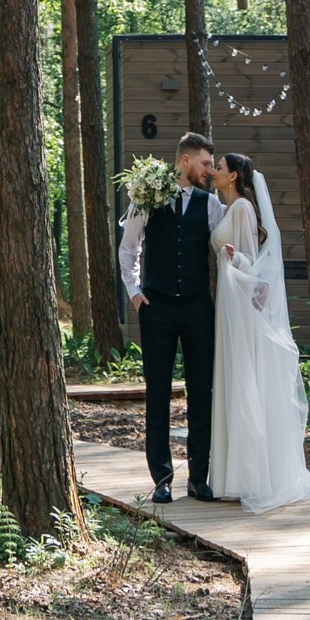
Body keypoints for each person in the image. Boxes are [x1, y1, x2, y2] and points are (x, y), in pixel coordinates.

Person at [119, 130, 224, 503]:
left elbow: (228, 246)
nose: (209, 170)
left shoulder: (211, 205)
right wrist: (135, 293)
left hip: (198, 308)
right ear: (186, 160)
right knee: (158, 391)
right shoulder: (147, 197)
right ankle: (161, 478)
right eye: (205, 163)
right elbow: (129, 249)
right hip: (157, 306)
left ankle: (198, 478)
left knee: (201, 392)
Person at [209, 148, 310, 512]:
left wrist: (232, 256)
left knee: (243, 378)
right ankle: (232, 477)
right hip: (229, 300)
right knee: (235, 379)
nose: (214, 172)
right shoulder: (228, 207)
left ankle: (247, 477)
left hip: (240, 303)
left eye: (219, 167)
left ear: (233, 175)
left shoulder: (241, 208)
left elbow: (252, 262)